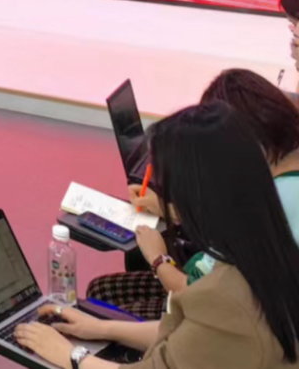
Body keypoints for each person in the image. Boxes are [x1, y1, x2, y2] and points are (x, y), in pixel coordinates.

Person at [15, 103, 299, 369]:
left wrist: (71, 356)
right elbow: (187, 339)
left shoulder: (225, 296)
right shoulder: (270, 255)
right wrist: (101, 327)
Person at [89, 69, 299, 320]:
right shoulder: (282, 175)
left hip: (212, 313)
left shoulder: (271, 200)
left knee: (100, 305)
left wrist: (158, 259)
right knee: (100, 294)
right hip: (217, 299)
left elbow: (200, 294)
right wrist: (172, 211)